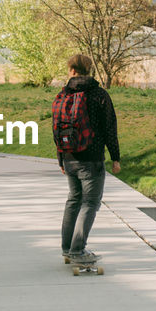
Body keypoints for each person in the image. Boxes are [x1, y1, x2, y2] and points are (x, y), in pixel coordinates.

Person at [54, 53, 121, 265]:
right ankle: (78, 250)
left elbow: (56, 127)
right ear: (89, 70)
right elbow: (109, 128)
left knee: (74, 200)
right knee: (90, 202)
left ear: (72, 71)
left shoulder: (63, 95)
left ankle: (67, 248)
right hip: (91, 158)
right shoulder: (98, 95)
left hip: (69, 157)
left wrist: (61, 158)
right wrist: (115, 157)